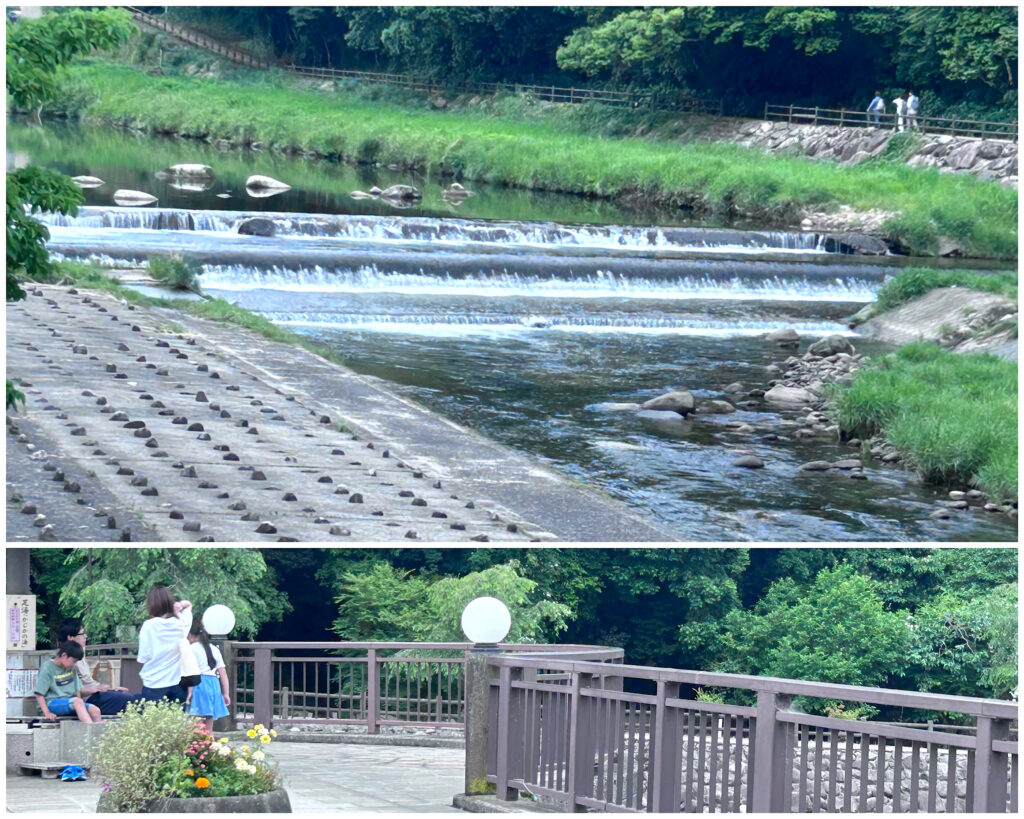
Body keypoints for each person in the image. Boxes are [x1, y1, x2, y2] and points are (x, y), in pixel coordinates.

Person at [57, 618, 144, 715]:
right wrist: (95, 689)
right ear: (70, 637)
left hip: (96, 695)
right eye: (82, 634)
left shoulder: (79, 653)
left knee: (131, 698)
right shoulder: (66, 659)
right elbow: (67, 690)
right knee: (133, 701)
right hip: (89, 700)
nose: (85, 636)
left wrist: (112, 689)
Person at [137, 585, 192, 703]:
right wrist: (180, 605)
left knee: (153, 720)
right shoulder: (181, 623)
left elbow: (143, 657)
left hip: (153, 683)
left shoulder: (148, 626)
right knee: (177, 720)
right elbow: (189, 605)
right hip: (177, 682)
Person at [33, 641, 103, 723]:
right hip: (52, 703)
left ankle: (96, 734)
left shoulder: (72, 668)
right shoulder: (47, 668)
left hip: (72, 702)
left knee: (95, 710)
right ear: (64, 655)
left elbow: (77, 690)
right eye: (74, 661)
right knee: (77, 702)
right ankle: (90, 730)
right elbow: (39, 694)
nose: (74, 664)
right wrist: (47, 713)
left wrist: (81, 708)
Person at [184, 619, 230, 734]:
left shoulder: (191, 649)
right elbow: (223, 674)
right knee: (209, 719)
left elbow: (190, 672)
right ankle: (207, 746)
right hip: (214, 684)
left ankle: (195, 748)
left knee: (196, 719)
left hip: (199, 683)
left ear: (189, 635)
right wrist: (226, 694)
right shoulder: (214, 649)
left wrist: (189, 692)